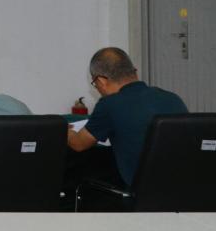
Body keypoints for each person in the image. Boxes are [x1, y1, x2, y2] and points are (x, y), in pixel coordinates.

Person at [67, 46, 187, 185]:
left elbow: (78, 144)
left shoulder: (109, 104)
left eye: (95, 84)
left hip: (142, 192)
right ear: (134, 72)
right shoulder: (173, 98)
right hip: (183, 187)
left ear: (101, 81)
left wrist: (64, 131)